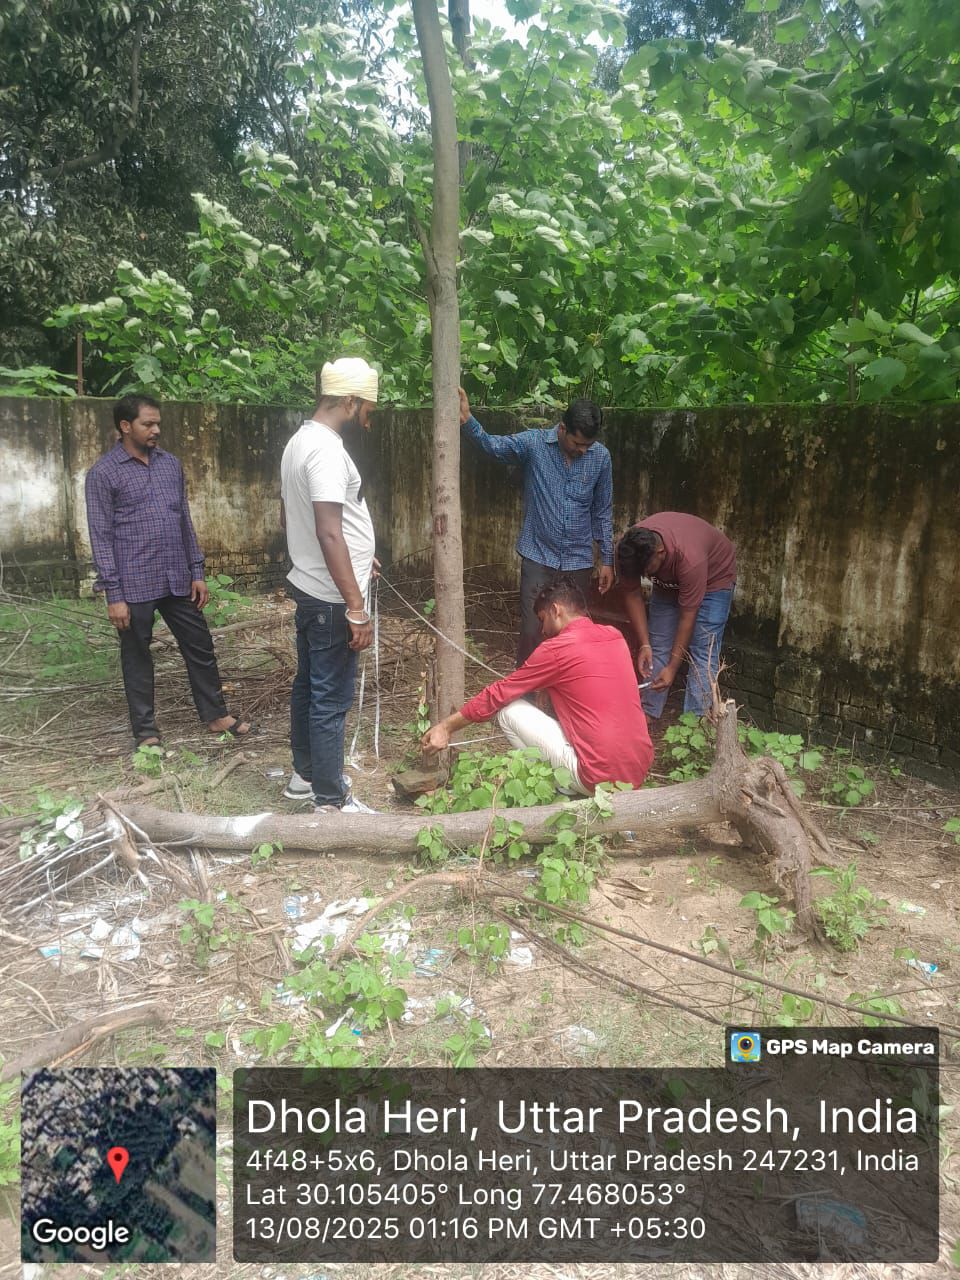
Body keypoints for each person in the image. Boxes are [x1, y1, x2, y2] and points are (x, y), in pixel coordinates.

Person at [85, 394, 254, 749]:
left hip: (176, 577)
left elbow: (184, 521)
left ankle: (216, 715)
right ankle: (146, 732)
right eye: (147, 424)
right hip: (133, 583)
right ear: (125, 426)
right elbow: (100, 537)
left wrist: (197, 571)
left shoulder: (170, 465)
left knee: (200, 645)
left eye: (157, 423)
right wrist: (113, 595)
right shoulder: (103, 474)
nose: (156, 430)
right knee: (137, 656)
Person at [421, 579, 653, 792]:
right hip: (637, 772)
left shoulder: (557, 648)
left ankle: (557, 787)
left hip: (597, 778)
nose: (542, 630)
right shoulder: (615, 636)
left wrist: (446, 727)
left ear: (556, 610)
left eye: (543, 620)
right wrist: (547, 687)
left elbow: (498, 694)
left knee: (508, 711)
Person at [280, 357, 380, 813]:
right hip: (332, 599)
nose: (368, 419)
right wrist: (356, 606)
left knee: (309, 686)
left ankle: (304, 777)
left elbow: (301, 519)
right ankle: (330, 799)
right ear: (349, 401)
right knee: (330, 698)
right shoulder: (324, 451)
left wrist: (359, 554)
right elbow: (328, 532)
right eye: (367, 409)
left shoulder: (300, 441)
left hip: (314, 586)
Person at [459, 387, 613, 666]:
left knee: (572, 636)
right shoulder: (534, 444)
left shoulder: (601, 458)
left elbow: (602, 511)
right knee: (533, 631)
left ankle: (563, 691)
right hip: (538, 557)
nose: (583, 450)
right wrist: (468, 420)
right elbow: (494, 447)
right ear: (563, 429)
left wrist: (607, 560)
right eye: (578, 443)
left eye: (587, 446)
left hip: (578, 562)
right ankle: (526, 690)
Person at [617, 513, 737, 720]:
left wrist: (672, 668)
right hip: (669, 580)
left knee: (703, 651)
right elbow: (632, 594)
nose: (644, 576)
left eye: (647, 570)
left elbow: (687, 617)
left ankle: (695, 723)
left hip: (714, 580)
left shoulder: (690, 558)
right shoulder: (626, 552)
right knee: (657, 645)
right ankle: (647, 714)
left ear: (660, 552)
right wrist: (645, 644)